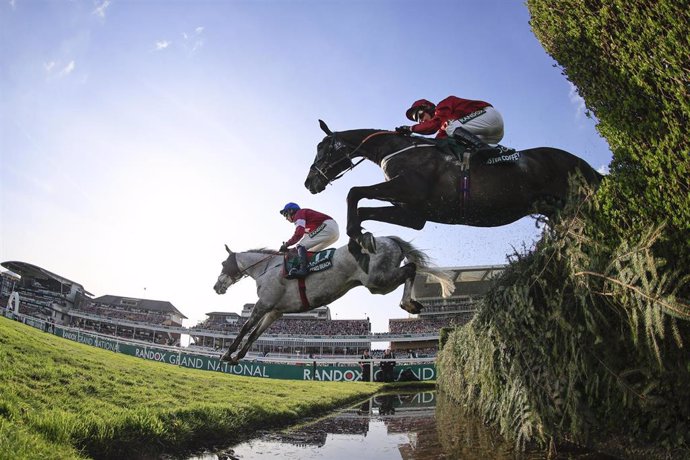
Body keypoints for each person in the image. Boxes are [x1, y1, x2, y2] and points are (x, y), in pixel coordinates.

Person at [395, 96, 513, 158]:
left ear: (427, 107)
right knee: (461, 146)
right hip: (492, 136)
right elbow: (438, 141)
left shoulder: (443, 105)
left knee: (451, 127)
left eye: (420, 115)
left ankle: (489, 151)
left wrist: (410, 129)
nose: (421, 121)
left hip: (489, 115)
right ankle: (500, 152)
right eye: (418, 120)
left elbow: (433, 125)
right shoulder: (443, 125)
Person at [279, 202, 340, 278]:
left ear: (291, 211)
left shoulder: (299, 213)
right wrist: (293, 249)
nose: (286, 218)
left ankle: (303, 270)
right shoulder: (306, 223)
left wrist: (286, 244)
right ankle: (313, 268)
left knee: (300, 245)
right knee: (305, 250)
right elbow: (306, 239)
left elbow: (299, 233)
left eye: (285, 214)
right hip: (333, 232)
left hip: (327, 226)